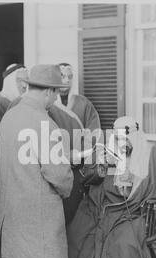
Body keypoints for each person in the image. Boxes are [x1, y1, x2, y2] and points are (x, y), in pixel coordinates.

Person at [63, 116, 156, 258]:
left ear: (134, 137)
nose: (120, 143)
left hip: (133, 212)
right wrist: (102, 168)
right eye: (117, 138)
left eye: (124, 139)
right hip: (102, 207)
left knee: (120, 244)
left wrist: (128, 175)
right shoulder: (109, 150)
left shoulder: (151, 154)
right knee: (77, 234)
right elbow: (91, 181)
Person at [0, 64, 73, 258]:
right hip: (38, 225)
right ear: (49, 91)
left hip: (11, 221)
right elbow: (59, 175)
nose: (56, 98)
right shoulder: (44, 122)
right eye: (56, 92)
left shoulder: (9, 116)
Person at [49, 63, 101, 226]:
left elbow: (93, 132)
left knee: (75, 215)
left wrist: (79, 153)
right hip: (54, 165)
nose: (66, 81)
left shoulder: (83, 103)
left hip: (77, 167)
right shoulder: (48, 103)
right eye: (62, 76)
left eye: (70, 77)